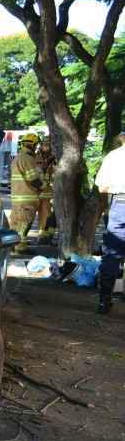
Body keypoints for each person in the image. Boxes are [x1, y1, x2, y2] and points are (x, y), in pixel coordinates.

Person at [94, 133, 125, 314]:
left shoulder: (113, 157)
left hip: (120, 206)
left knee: (112, 254)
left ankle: (104, 302)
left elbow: (102, 187)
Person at [10, 133, 43, 253]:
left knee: (15, 225)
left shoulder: (18, 157)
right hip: (27, 199)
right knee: (24, 224)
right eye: (36, 145)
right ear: (33, 145)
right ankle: (20, 248)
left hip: (17, 198)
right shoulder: (27, 158)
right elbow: (33, 179)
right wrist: (43, 186)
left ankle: (13, 247)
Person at [36, 138, 56, 244]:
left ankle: (42, 236)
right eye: (45, 144)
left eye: (48, 144)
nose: (46, 146)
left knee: (46, 215)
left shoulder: (55, 158)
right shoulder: (35, 157)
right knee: (27, 216)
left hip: (47, 192)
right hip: (35, 191)